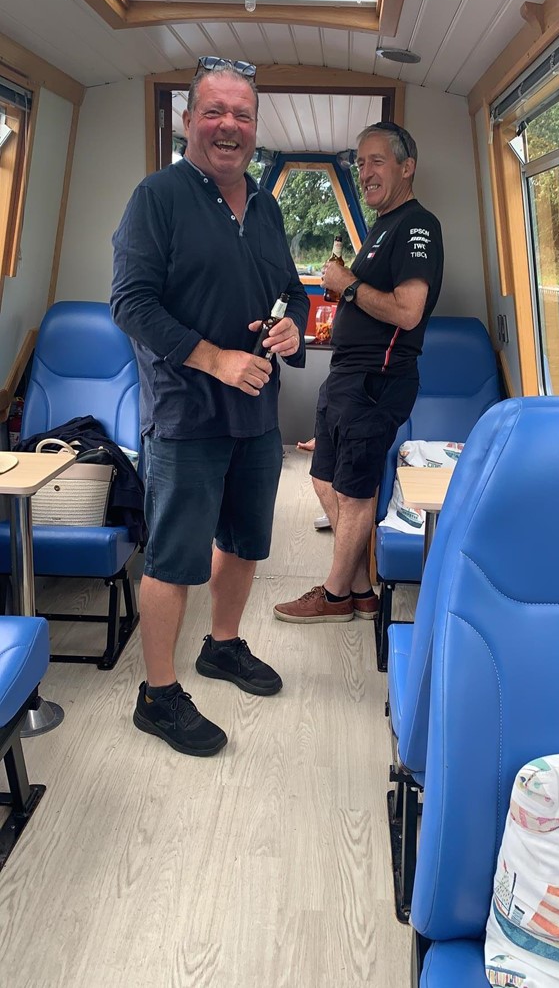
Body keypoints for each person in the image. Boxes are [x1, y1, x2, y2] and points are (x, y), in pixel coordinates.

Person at [111, 56, 309, 756]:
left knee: (245, 542)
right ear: (188, 121)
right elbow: (130, 303)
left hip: (256, 411)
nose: (230, 125)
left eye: (243, 114)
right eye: (215, 111)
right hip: (187, 413)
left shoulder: (268, 204)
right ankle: (157, 695)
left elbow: (293, 289)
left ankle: (221, 647)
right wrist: (214, 358)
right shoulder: (156, 198)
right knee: (174, 556)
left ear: (255, 127)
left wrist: (291, 326)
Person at [274, 121, 443, 624]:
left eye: (377, 161)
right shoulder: (382, 226)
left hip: (376, 381)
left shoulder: (417, 225)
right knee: (326, 478)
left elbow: (409, 312)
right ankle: (362, 588)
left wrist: (347, 285)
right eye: (360, 162)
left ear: (406, 167)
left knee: (355, 490)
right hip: (346, 379)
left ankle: (333, 596)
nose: (365, 172)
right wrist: (348, 291)